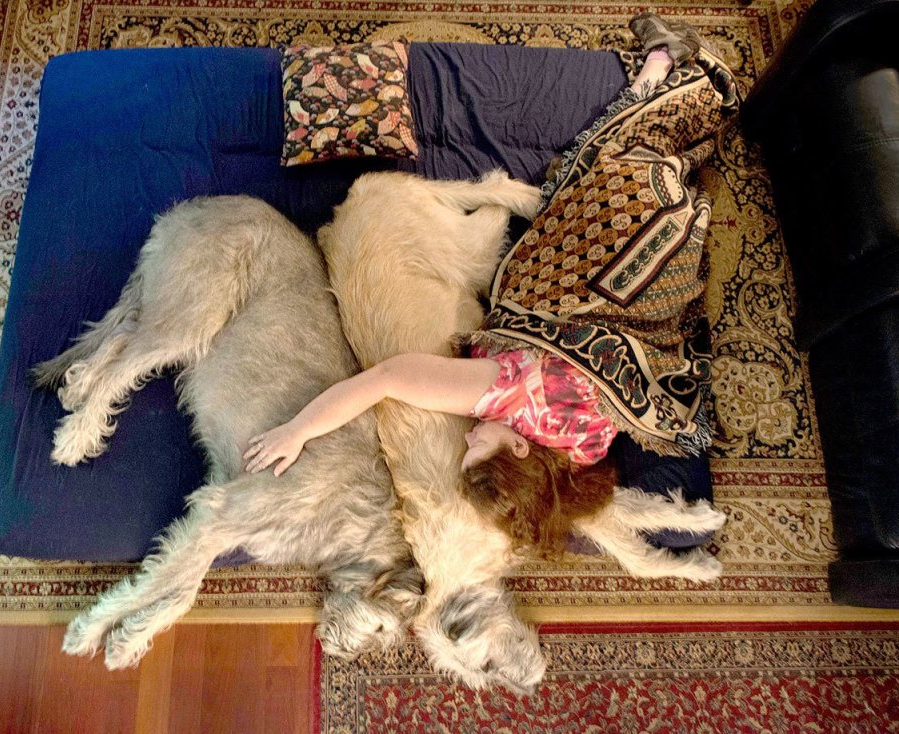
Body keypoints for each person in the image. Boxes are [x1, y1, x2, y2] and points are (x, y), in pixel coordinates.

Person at [245, 15, 735, 557]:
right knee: (600, 167)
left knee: (633, 181)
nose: (469, 438)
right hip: (578, 282)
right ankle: (663, 71)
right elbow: (381, 380)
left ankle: (658, 85)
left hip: (634, 301)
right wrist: (298, 430)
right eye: (480, 447)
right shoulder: (503, 394)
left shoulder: (585, 453)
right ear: (520, 450)